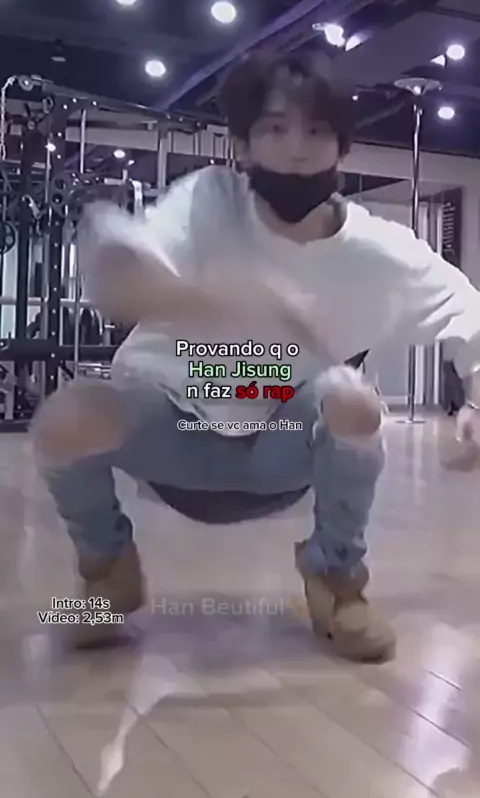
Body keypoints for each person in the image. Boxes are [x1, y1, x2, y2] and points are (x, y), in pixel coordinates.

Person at [33, 50, 480, 660]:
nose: (296, 148)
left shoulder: (381, 249)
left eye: (316, 130)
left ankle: (337, 580)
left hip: (278, 447)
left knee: (353, 399)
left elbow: (467, 308)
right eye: (274, 128)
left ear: (342, 147)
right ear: (242, 144)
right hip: (173, 429)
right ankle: (106, 576)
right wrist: (226, 302)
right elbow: (122, 271)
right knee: (67, 416)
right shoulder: (207, 201)